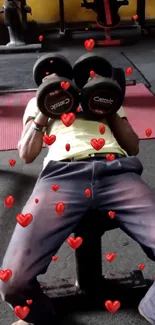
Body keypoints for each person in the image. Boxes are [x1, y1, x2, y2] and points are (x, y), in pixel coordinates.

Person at [0, 74, 155, 325]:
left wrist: (108, 109)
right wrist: (44, 111)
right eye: (50, 76)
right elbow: (27, 154)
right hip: (61, 176)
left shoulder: (103, 97)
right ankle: (37, 316)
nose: (56, 77)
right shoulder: (37, 104)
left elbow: (133, 146)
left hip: (116, 170)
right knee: (12, 282)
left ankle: (151, 308)